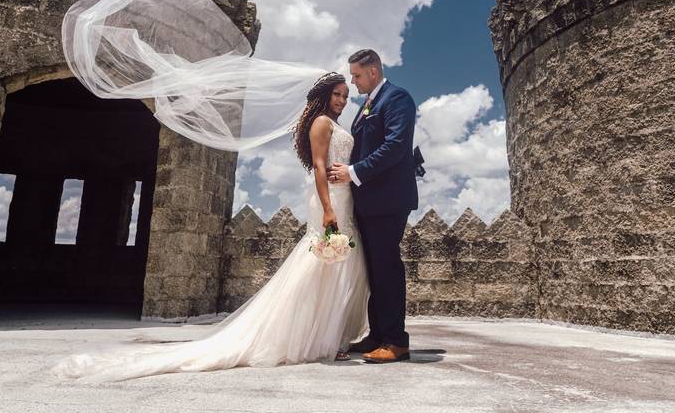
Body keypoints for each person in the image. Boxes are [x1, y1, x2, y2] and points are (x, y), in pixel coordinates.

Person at [50, 72, 369, 382]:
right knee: (320, 265)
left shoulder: (336, 124)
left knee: (338, 265)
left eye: (345, 95)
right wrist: (328, 209)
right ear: (324, 95)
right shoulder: (321, 123)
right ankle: (318, 338)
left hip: (345, 198)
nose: (342, 99)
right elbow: (317, 165)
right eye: (337, 93)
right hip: (329, 200)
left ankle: (330, 335)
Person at [327, 48, 418, 364]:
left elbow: (395, 146)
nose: (353, 82)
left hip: (389, 199)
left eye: (356, 75)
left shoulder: (397, 99)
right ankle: (377, 334)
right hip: (367, 201)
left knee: (387, 267)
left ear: (374, 72)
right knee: (374, 271)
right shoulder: (367, 105)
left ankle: (396, 341)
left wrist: (351, 173)